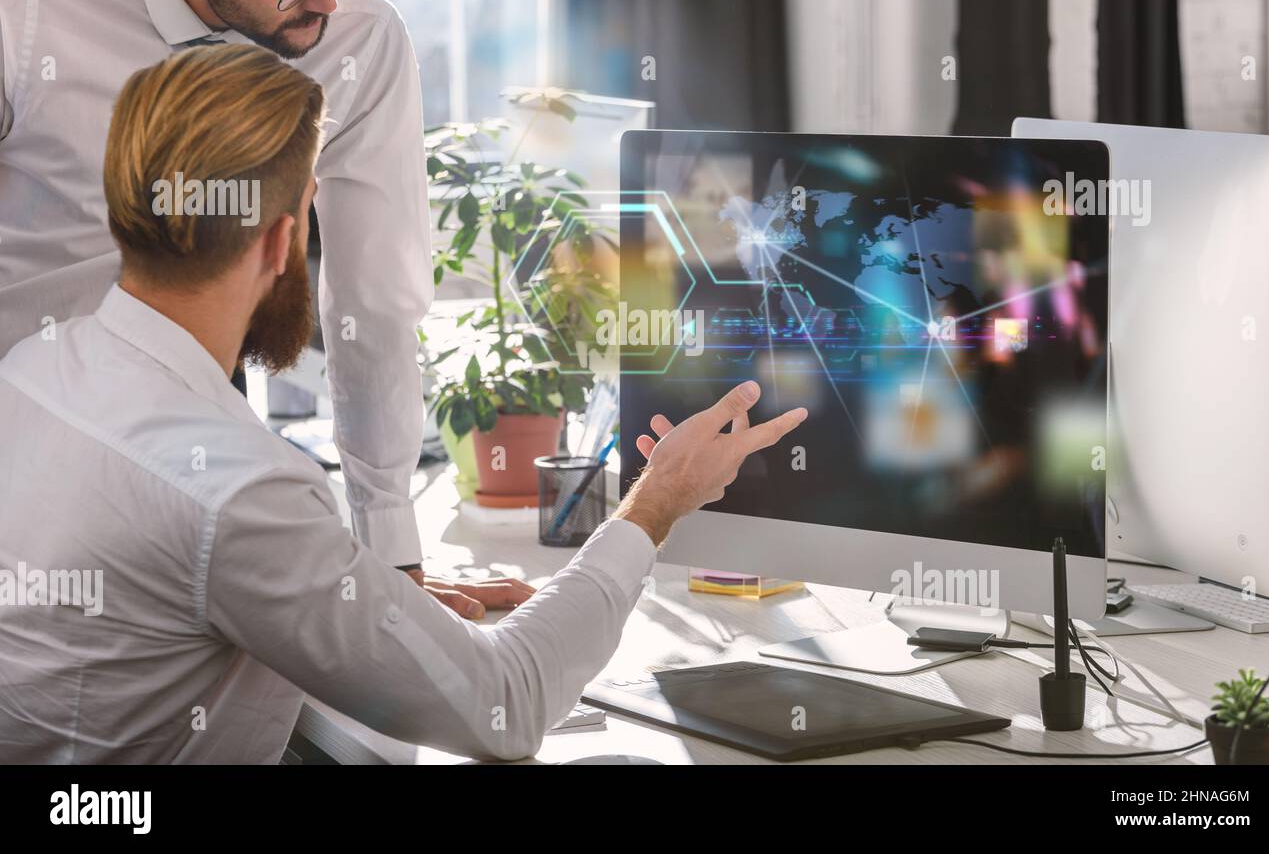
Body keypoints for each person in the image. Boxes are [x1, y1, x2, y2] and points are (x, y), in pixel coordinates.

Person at [0, 45, 808, 762]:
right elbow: (508, 701)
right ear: (283, 240)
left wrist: (357, 596)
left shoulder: (33, 368)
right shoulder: (240, 490)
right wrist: (655, 501)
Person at [0, 0, 436, 588]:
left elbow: (376, 301)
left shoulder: (363, 40)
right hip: (21, 446)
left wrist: (391, 550)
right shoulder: (24, 10)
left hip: (199, 457)